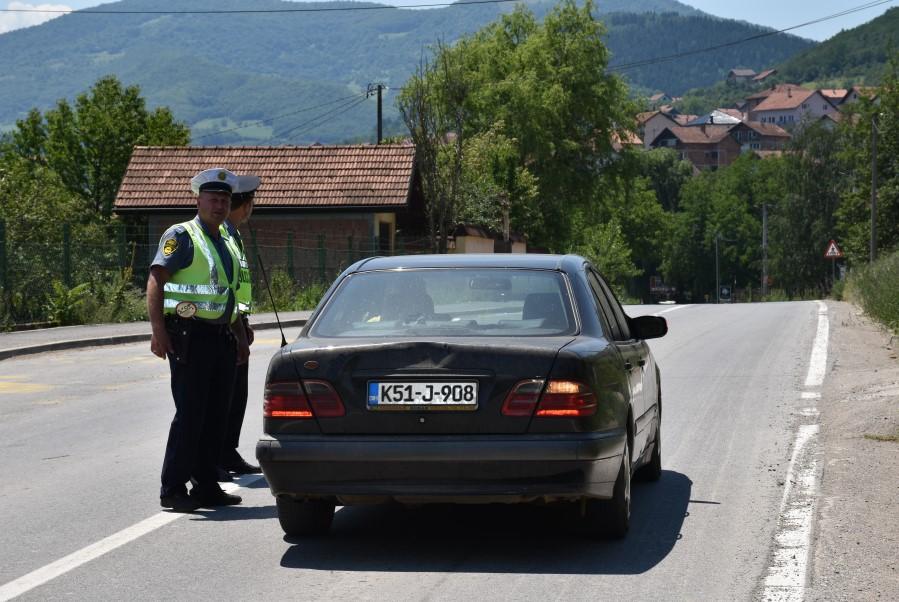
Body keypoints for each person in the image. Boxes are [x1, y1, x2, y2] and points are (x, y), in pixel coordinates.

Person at [147, 168, 250, 512]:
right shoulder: (182, 235)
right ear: (199, 200)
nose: (220, 204)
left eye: (225, 200)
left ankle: (206, 485)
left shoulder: (225, 240)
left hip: (220, 336)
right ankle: (172, 487)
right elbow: (156, 279)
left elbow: (228, 295)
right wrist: (158, 330)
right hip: (189, 336)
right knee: (191, 414)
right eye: (213, 198)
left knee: (216, 415)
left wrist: (239, 336)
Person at [218, 174, 263, 478]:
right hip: (223, 327)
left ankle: (227, 452)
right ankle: (216, 456)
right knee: (224, 398)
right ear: (245, 205)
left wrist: (244, 323)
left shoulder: (233, 235)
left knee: (237, 396)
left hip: (236, 324)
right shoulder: (222, 235)